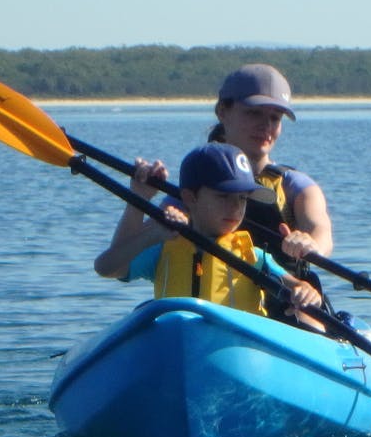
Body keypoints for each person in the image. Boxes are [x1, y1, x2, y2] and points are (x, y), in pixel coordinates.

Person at [94, 142, 324, 328]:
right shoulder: (164, 249)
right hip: (177, 344)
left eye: (242, 198)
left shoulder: (253, 256)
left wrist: (304, 292)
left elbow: (296, 285)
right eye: (224, 197)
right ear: (190, 197)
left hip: (238, 350)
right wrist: (140, 204)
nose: (235, 208)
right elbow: (107, 267)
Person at [208, 63, 333, 270]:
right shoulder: (197, 181)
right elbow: (133, 256)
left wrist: (311, 245)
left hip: (282, 299)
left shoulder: (297, 187)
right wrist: (144, 193)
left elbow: (321, 232)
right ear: (223, 111)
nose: (266, 126)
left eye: (275, 118)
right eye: (254, 113)